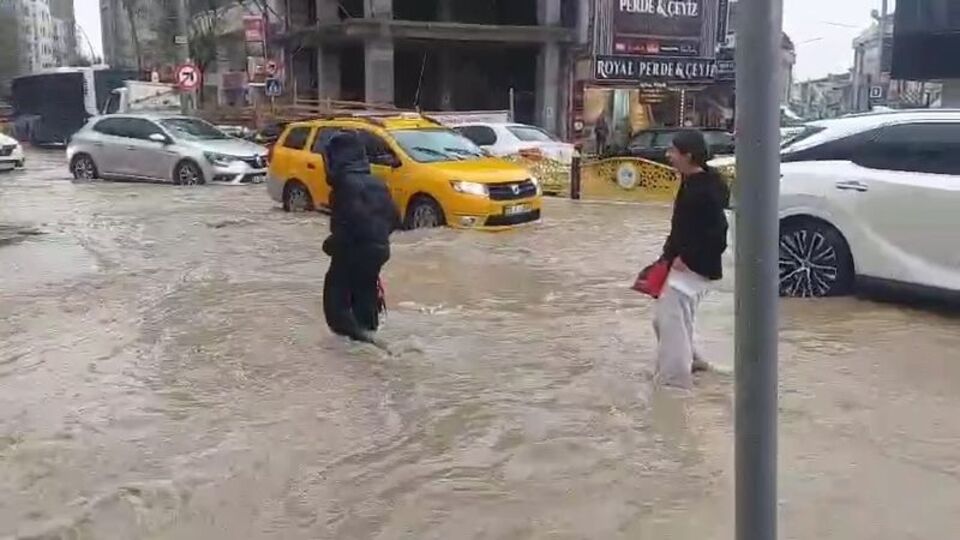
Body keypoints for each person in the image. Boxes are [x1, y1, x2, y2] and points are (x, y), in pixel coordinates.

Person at [653, 130, 730, 389]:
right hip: (681, 263)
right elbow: (681, 228)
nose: (668, 155)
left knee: (670, 318)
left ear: (688, 155)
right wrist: (666, 257)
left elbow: (719, 234)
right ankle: (692, 362)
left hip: (694, 267)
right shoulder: (691, 181)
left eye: (673, 151)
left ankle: (673, 384)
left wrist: (688, 258)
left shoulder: (705, 190)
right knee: (668, 317)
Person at [322, 131, 400, 345]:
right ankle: (368, 338)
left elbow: (351, 220)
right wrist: (378, 238)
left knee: (335, 307)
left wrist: (333, 243)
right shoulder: (378, 183)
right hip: (379, 250)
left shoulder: (344, 186)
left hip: (352, 250)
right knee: (365, 295)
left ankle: (369, 345)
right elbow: (395, 217)